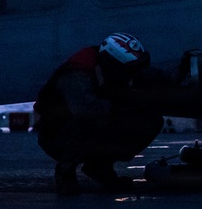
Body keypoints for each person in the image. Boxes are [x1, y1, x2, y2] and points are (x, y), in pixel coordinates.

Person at [34, 33, 164, 195]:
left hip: (85, 126)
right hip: (57, 135)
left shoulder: (107, 68)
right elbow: (88, 110)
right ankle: (65, 171)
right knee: (94, 118)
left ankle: (100, 167)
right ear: (113, 64)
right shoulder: (77, 74)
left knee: (150, 121)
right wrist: (125, 104)